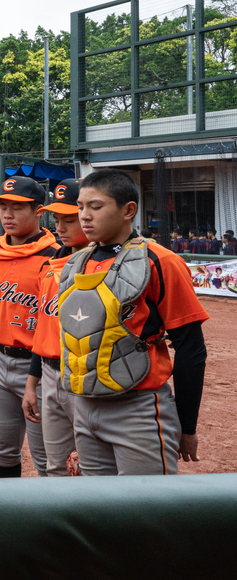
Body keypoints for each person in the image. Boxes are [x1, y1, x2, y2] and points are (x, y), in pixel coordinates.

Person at [58, 169, 208, 475]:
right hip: (84, 406)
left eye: (96, 207)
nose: (84, 216)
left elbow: (191, 349)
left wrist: (187, 425)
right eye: (81, 207)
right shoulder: (76, 263)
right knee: (100, 514)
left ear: (128, 210)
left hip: (138, 409)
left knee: (146, 516)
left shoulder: (160, 260)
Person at [0, 177, 57, 478]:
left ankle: (54, 523)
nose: (6, 214)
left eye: (17, 207)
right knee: (2, 447)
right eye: (3, 207)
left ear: (39, 211)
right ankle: (7, 516)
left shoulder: (55, 258)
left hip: (40, 367)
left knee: (47, 455)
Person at [22, 179, 89, 476]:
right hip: (49, 372)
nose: (60, 227)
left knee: (92, 465)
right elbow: (44, 329)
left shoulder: (106, 265)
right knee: (55, 467)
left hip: (85, 375)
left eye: (69, 219)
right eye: (57, 219)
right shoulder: (50, 264)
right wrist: (32, 382)